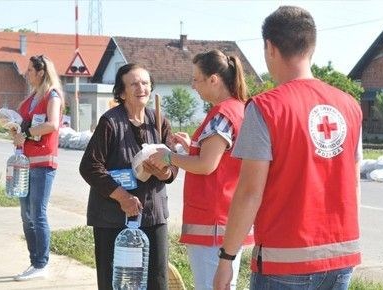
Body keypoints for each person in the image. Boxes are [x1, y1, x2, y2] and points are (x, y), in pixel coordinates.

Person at [213, 6, 363, 290]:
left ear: (270, 47)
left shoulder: (265, 108)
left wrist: (226, 259)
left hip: (285, 260)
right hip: (341, 256)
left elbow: (248, 193)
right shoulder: (350, 106)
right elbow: (353, 185)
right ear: (312, 46)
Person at [149, 49, 253, 290]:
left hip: (212, 222)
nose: (193, 86)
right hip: (226, 217)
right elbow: (220, 158)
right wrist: (191, 147)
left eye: (196, 79)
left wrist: (168, 157)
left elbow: (207, 165)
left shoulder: (221, 114)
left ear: (213, 79)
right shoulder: (238, 108)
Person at [79, 63, 178, 290]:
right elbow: (90, 166)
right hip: (113, 219)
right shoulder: (110, 122)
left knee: (156, 280)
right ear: (122, 92)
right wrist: (122, 197)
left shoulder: (160, 120)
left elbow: (173, 163)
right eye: (134, 84)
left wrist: (165, 171)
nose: (141, 88)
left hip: (153, 217)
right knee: (117, 282)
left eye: (145, 83)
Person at [11, 55, 64, 281]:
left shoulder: (52, 96)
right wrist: (14, 131)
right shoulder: (30, 99)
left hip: (43, 163)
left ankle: (41, 264)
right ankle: (34, 262)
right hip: (24, 161)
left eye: (30, 70)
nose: (26, 73)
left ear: (41, 72)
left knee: (38, 213)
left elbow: (52, 124)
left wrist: (28, 133)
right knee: (26, 215)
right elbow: (22, 125)